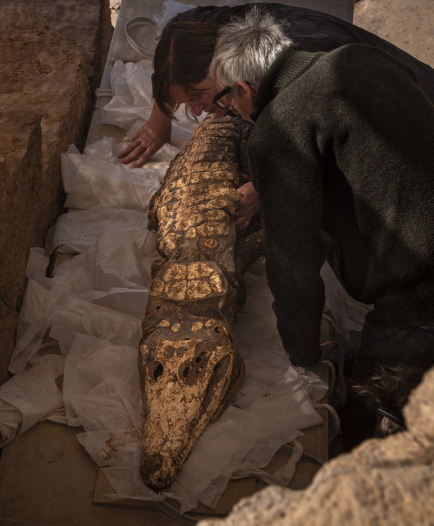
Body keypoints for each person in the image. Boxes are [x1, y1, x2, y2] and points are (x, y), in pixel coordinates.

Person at [209, 7, 434, 445]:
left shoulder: (277, 128)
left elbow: (293, 262)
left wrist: (304, 351)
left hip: (420, 301)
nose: (230, 111)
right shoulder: (356, 58)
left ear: (243, 89)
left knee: (372, 429)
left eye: (226, 101)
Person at [118, 3, 434, 231]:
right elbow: (171, 44)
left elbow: (333, 142)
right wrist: (159, 120)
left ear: (227, 77)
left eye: (199, 97)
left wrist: (262, 187)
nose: (198, 112)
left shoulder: (300, 71)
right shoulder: (202, 32)